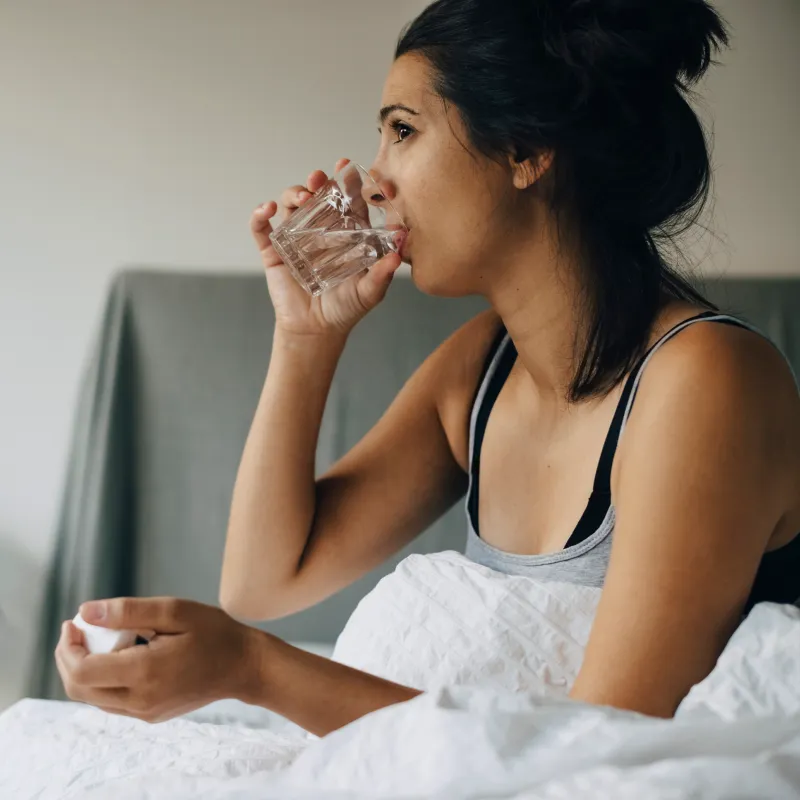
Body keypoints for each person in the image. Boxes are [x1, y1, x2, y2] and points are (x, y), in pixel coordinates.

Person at [56, 0, 800, 737]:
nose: (372, 181)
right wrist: (304, 337)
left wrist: (255, 671)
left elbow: (597, 746)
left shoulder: (709, 379)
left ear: (527, 151)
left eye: (402, 131)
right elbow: (262, 581)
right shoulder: (483, 365)